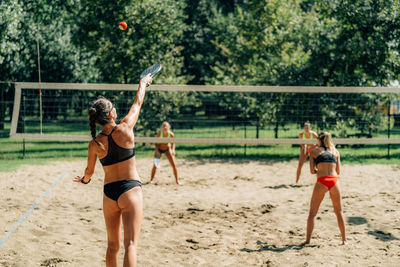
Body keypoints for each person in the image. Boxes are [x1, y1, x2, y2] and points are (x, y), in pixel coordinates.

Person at [73, 74, 153, 267]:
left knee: (112, 246)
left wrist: (84, 180)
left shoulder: (95, 143)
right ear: (111, 114)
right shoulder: (125, 128)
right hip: (130, 190)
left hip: (109, 194)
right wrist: (142, 83)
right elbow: (138, 103)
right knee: (131, 245)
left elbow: (89, 172)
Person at [306, 131, 346, 245]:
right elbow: (338, 171)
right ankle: (344, 240)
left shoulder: (314, 152)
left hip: (322, 181)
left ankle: (308, 240)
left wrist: (319, 170)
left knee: (312, 213)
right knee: (339, 212)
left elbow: (312, 171)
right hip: (334, 181)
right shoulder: (336, 152)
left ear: (319, 140)